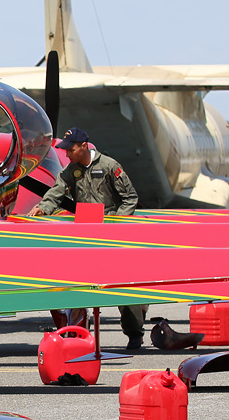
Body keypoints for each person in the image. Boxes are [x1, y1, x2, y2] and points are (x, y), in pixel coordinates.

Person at [27, 125, 146, 348]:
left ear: (83, 146)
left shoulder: (110, 166)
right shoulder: (72, 170)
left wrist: (117, 224)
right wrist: (43, 207)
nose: (67, 154)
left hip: (113, 236)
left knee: (122, 284)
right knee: (78, 283)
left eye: (70, 150)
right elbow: (58, 189)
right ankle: (79, 333)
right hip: (86, 235)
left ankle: (134, 333)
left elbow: (130, 197)